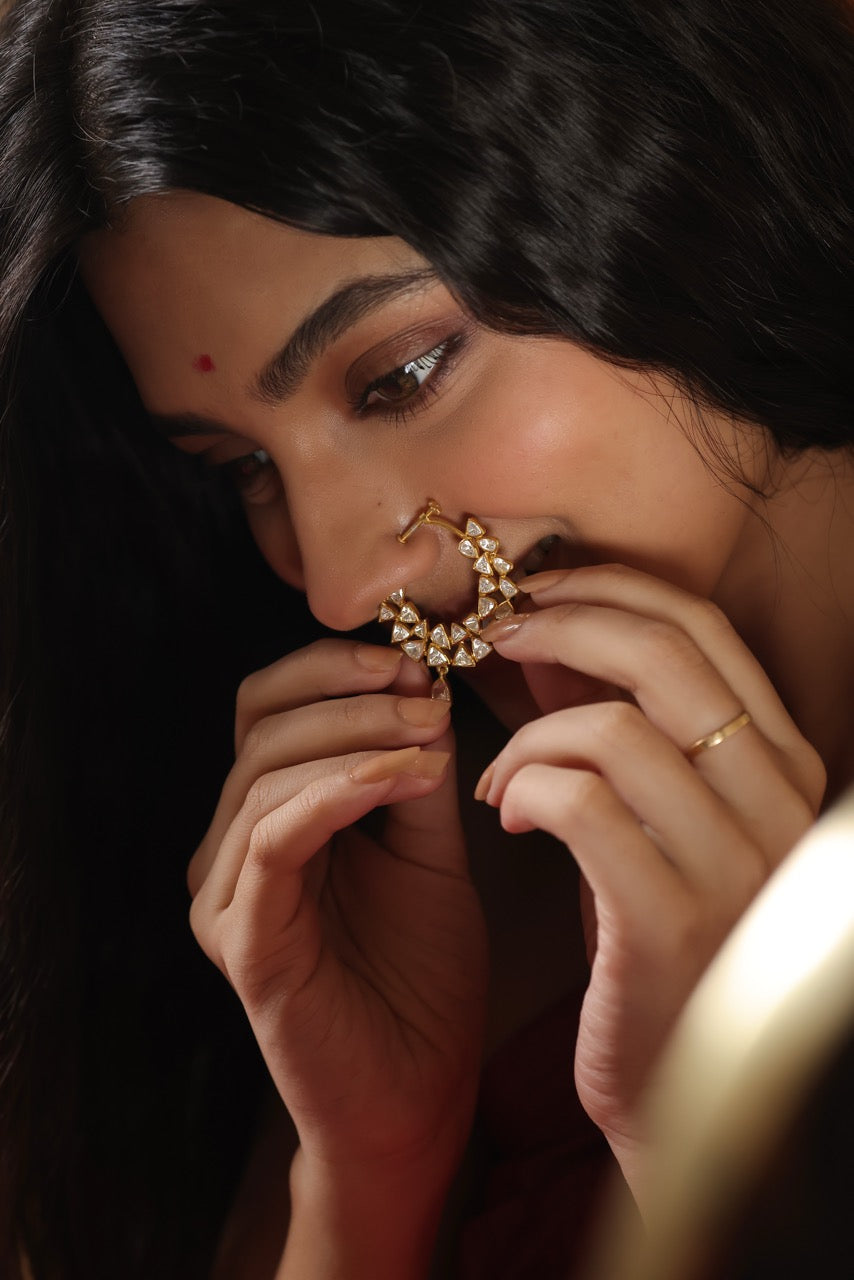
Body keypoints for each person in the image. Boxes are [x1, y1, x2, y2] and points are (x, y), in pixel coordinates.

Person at [0, 0, 851, 1276]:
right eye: (241, 467)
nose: (338, 579)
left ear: (676, 171)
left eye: (400, 375)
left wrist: (730, 1119)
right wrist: (369, 1170)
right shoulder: (422, 882)